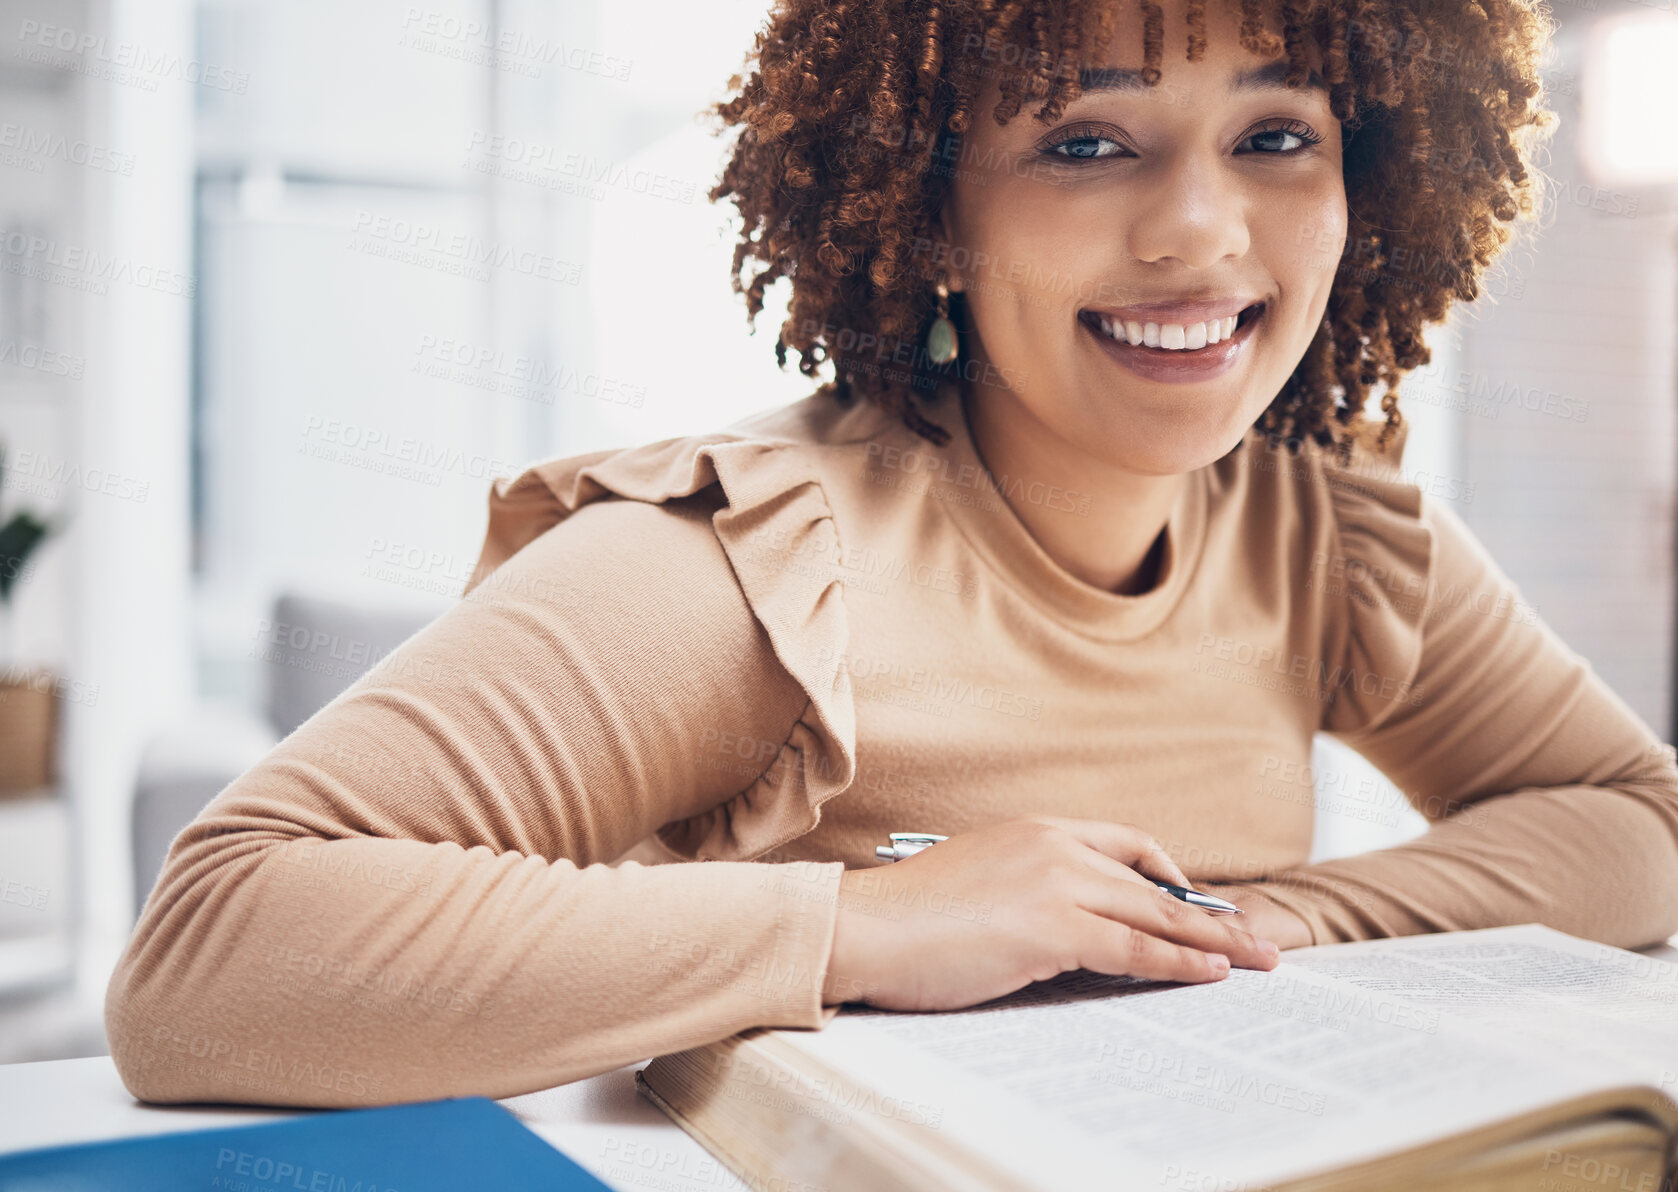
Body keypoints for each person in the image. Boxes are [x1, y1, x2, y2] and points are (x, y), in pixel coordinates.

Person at [105, 0, 1678, 1110]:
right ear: (926, 208)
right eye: (1084, 143)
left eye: (1276, 133)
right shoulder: (755, 565)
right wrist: (866, 931)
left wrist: (1250, 929)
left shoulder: (1320, 523)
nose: (1202, 231)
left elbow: (1635, 818)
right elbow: (214, 951)